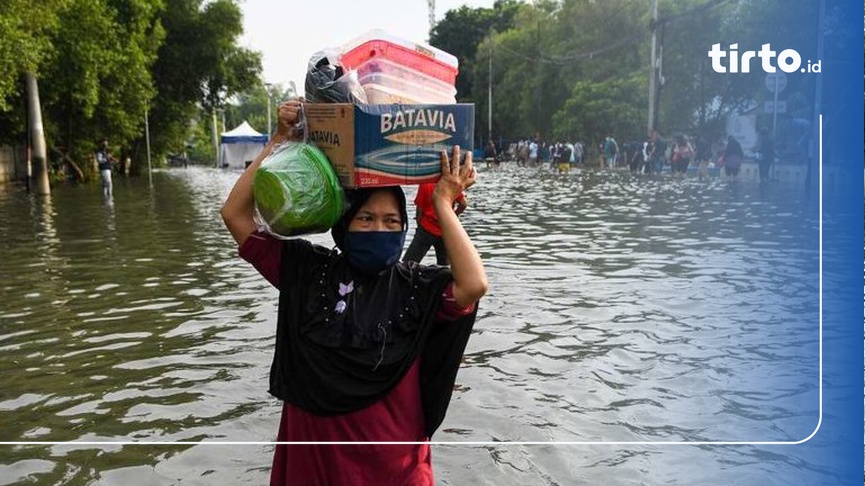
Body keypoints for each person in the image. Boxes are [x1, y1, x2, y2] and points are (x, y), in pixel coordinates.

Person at [220, 99, 488, 485]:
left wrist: (442, 202)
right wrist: (280, 139)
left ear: (402, 229)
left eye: (391, 220)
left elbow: (474, 284)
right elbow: (235, 215)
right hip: (315, 469)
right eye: (366, 218)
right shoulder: (307, 271)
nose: (379, 228)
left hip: (393, 470)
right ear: (344, 225)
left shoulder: (417, 287)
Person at [403, 182, 467, 265]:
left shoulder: (426, 184)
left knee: (408, 263)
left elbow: (419, 210)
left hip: (426, 228)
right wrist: (453, 216)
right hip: (445, 229)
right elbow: (463, 204)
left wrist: (419, 225)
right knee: (444, 266)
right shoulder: (452, 184)